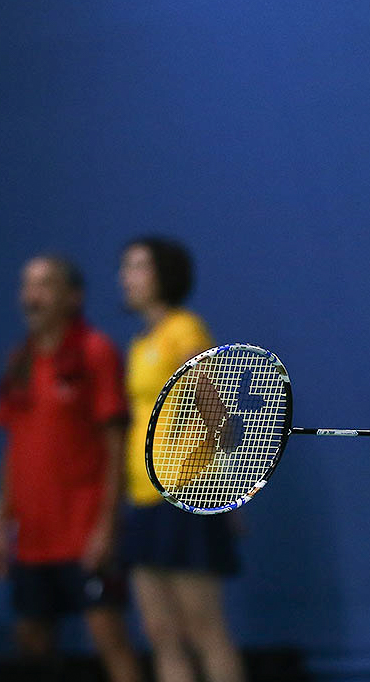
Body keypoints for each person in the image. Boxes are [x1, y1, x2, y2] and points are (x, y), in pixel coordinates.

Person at [0, 254, 142, 682]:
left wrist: (106, 525)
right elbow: (14, 450)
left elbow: (116, 445)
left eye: (44, 285)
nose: (31, 296)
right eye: (26, 285)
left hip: (84, 529)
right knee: (31, 640)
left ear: (72, 296)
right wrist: (0, 527)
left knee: (108, 636)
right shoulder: (19, 361)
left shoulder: (95, 352)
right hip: (32, 537)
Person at [120, 236, 245, 682]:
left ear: (164, 275)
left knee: (204, 630)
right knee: (160, 632)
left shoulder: (186, 331)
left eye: (138, 267)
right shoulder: (140, 344)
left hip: (188, 491)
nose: (126, 277)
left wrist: (229, 490)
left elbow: (217, 416)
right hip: (143, 497)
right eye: (126, 267)